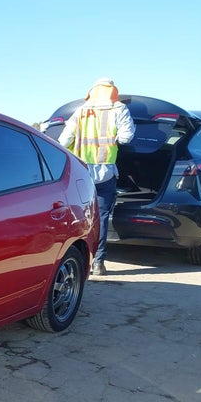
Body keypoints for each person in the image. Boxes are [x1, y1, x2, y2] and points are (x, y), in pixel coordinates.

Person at [59, 77, 135, 275]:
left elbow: (63, 140)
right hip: (105, 172)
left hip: (81, 172)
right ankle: (98, 263)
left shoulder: (81, 111)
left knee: (77, 216)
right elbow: (127, 137)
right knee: (101, 217)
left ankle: (77, 260)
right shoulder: (119, 109)